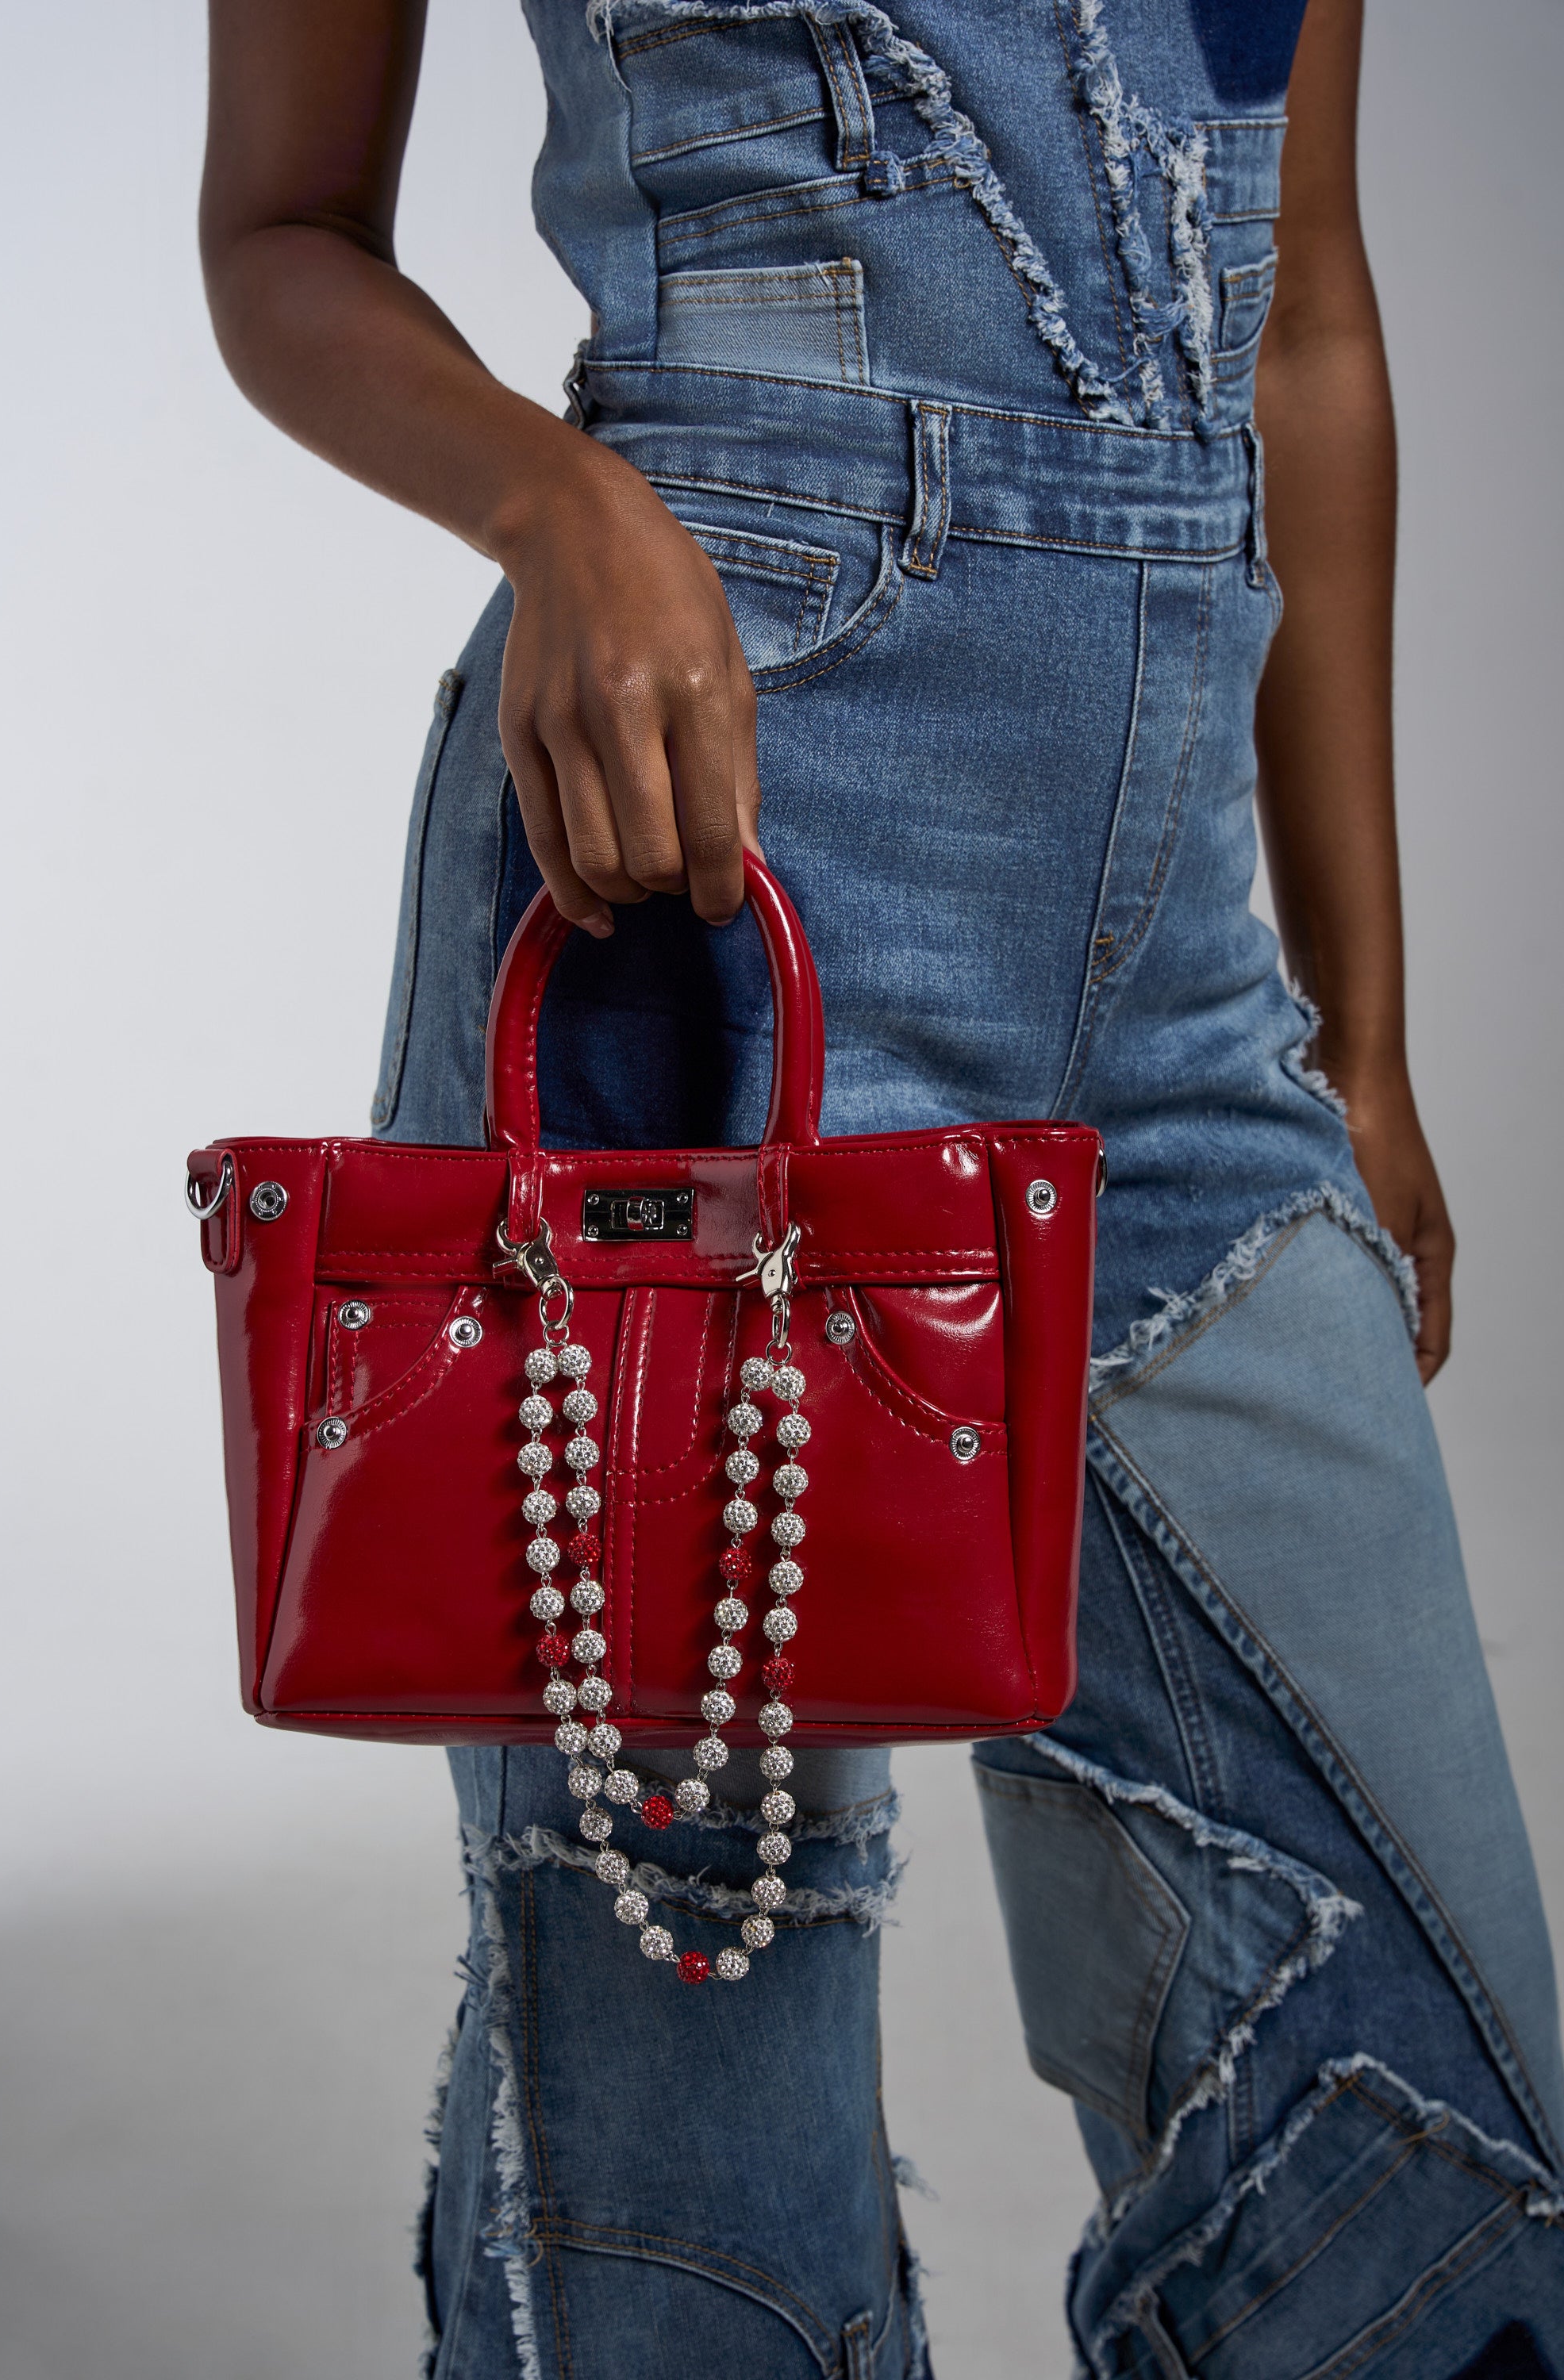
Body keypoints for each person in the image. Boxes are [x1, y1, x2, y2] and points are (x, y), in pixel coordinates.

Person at [200, 2, 1564, 2371]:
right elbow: (278, 236)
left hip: (1179, 988)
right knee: (683, 2168)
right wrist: (561, 506)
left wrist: (1366, 1023)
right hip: (699, 896)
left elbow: (1309, 310)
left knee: (1447, 2137)